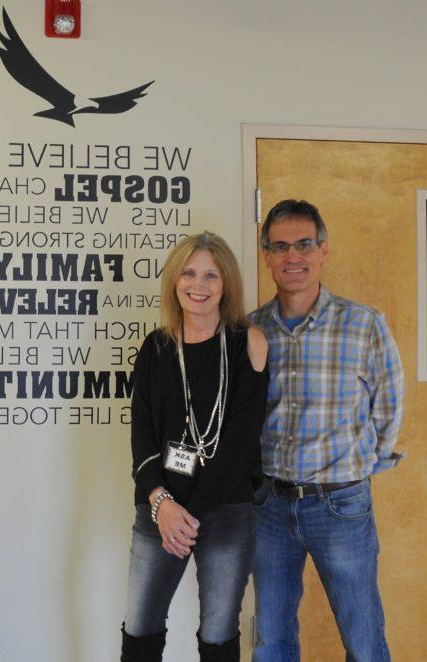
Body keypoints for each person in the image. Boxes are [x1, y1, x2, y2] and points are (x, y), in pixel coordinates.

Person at [249, 199, 404, 662]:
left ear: (323, 250)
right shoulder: (252, 330)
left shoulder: (364, 324)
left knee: (363, 636)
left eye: (303, 244)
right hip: (269, 506)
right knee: (271, 637)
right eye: (280, 246)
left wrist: (358, 467)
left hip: (341, 506)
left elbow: (389, 407)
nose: (292, 256)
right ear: (266, 256)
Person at [122, 232, 269, 662]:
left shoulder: (249, 343)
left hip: (225, 514)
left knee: (219, 638)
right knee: (140, 632)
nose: (198, 284)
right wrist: (163, 504)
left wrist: (192, 515)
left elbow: (242, 444)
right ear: (174, 279)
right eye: (188, 272)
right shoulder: (156, 347)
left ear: (226, 285)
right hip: (160, 510)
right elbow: (142, 437)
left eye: (210, 274)